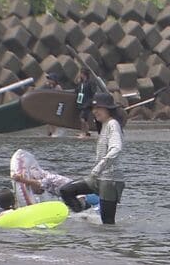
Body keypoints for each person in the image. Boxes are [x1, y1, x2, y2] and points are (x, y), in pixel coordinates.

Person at [59, 93, 124, 224]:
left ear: (108, 109)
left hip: (110, 180)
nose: (95, 111)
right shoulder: (104, 125)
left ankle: (110, 243)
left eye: (98, 108)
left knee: (108, 223)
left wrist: (98, 168)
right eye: (93, 109)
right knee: (66, 191)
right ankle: (83, 215)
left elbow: (116, 148)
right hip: (97, 178)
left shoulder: (113, 124)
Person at [74, 69, 96, 139]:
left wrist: (91, 102)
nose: (79, 75)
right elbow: (76, 91)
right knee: (83, 118)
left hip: (87, 102)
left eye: (80, 74)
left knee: (82, 118)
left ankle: (84, 132)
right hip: (81, 102)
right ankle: (85, 132)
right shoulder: (81, 83)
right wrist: (78, 83)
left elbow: (93, 92)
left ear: (84, 74)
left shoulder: (90, 82)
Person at [43, 73, 63, 137]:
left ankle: (54, 133)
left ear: (54, 80)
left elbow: (61, 98)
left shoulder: (58, 87)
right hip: (51, 106)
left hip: (57, 106)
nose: (48, 81)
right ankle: (49, 133)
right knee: (48, 121)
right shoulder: (50, 87)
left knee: (53, 121)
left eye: (50, 79)